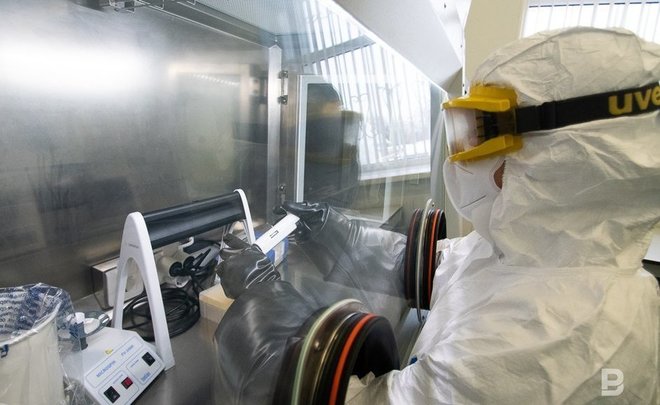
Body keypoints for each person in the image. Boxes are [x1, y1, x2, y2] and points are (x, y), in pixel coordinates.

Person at [214, 27, 660, 404]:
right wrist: (337, 231)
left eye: (479, 131)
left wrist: (262, 300)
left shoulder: (563, 335)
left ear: (564, 159)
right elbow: (447, 266)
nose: (460, 156)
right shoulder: (544, 253)